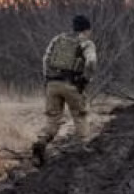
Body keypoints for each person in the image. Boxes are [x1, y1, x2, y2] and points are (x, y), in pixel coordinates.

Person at [31, 14, 98, 166]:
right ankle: (83, 147)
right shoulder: (86, 43)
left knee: (53, 118)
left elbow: (45, 59)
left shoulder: (58, 39)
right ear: (86, 29)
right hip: (71, 84)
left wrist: (48, 79)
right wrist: (86, 78)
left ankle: (41, 142)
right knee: (80, 115)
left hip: (52, 84)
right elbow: (92, 61)